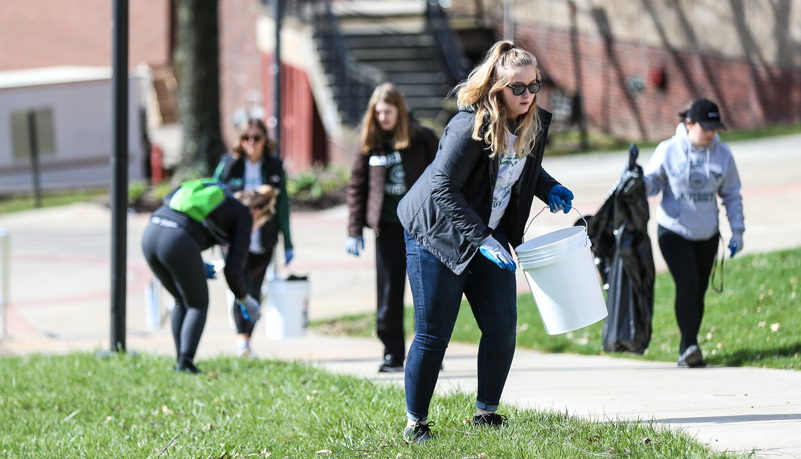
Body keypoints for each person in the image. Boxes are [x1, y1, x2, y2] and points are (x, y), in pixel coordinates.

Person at [396, 40, 574, 442]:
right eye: (518, 88)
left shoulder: (535, 122)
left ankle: (486, 414)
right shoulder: (468, 126)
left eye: (534, 85)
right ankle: (416, 423)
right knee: (434, 331)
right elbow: (443, 187)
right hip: (437, 233)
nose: (528, 95)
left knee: (501, 326)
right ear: (497, 89)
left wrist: (550, 188)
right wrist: (482, 239)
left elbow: (519, 168)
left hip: (485, 234)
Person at [643, 98, 744, 368]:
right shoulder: (668, 150)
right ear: (689, 123)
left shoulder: (723, 155)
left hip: (707, 234)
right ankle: (689, 346)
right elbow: (651, 185)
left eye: (715, 127)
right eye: (705, 127)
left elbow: (732, 195)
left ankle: (688, 347)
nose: (711, 133)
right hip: (673, 230)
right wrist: (638, 180)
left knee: (697, 290)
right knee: (686, 283)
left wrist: (737, 231)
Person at [345, 82, 439, 373]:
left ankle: (431, 351)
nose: (383, 118)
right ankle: (393, 354)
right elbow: (357, 187)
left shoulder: (422, 139)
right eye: (378, 112)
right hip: (387, 228)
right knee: (388, 292)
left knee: (428, 291)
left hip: (421, 228)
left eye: (388, 111)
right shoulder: (371, 143)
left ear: (399, 110)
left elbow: (442, 176)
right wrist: (354, 229)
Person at [141, 178, 278, 373]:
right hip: (176, 240)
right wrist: (246, 299)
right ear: (256, 213)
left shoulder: (222, 198)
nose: (254, 229)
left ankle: (181, 362)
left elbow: (179, 211)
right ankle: (186, 363)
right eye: (260, 224)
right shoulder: (243, 216)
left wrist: (195, 263)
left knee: (181, 300)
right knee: (197, 304)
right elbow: (233, 271)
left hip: (151, 232)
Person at [213, 118, 294, 357]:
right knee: (240, 288)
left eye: (257, 138)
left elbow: (284, 206)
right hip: (234, 239)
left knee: (255, 290)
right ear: (240, 141)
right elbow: (215, 195)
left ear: (265, 141)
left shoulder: (274, 167)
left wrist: (288, 243)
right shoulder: (229, 165)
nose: (251, 142)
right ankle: (242, 340)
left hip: (263, 240)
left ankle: (247, 339)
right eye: (247, 138)